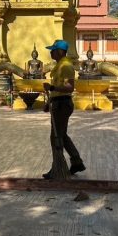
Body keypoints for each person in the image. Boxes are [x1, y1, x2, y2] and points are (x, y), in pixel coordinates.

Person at [42, 39, 85, 179]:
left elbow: (70, 87)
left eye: (53, 50)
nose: (51, 52)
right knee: (62, 135)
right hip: (58, 103)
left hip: (62, 104)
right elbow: (58, 87)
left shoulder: (66, 66)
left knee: (56, 137)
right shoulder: (60, 65)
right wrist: (49, 101)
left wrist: (52, 88)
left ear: (60, 51)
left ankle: (58, 168)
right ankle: (76, 162)